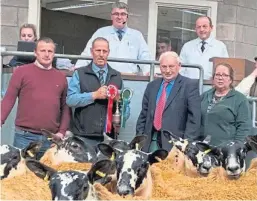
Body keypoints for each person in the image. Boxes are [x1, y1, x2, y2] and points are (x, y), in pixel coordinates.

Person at [1, 37, 70, 159]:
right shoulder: (21, 72)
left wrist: (62, 132)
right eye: (43, 50)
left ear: (54, 54)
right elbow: (8, 99)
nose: (46, 54)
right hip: (24, 137)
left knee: (47, 177)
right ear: (35, 52)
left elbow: (65, 107)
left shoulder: (61, 77)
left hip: (51, 139)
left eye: (50, 51)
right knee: (21, 176)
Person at [136, 51, 201, 152]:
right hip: (150, 143)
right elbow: (143, 115)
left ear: (179, 66)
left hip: (175, 146)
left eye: (171, 66)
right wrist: (139, 141)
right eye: (164, 66)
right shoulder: (152, 86)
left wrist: (186, 145)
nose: (167, 70)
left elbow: (194, 119)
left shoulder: (189, 86)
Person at [66, 37, 123, 145]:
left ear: (108, 53)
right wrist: (94, 95)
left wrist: (118, 103)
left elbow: (125, 108)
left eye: (104, 51)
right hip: (83, 137)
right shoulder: (80, 73)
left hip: (109, 137)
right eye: (98, 50)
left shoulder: (117, 76)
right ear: (92, 52)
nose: (101, 54)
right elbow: (70, 100)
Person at [75, 2, 151, 74]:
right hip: (107, 77)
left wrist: (149, 72)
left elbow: (145, 57)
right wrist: (78, 68)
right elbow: (88, 53)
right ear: (111, 16)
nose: (119, 17)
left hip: (130, 78)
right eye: (116, 14)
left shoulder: (136, 35)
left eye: (123, 14)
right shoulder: (101, 33)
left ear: (127, 17)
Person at [200, 63, 252, 146]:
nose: (220, 78)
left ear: (230, 80)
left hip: (226, 149)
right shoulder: (205, 96)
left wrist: (236, 147)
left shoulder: (240, 99)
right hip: (202, 146)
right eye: (217, 75)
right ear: (213, 78)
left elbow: (244, 127)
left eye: (225, 75)